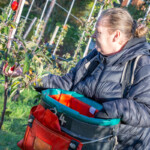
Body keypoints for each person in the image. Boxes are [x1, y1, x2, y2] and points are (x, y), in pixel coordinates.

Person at [4, 8, 150, 149]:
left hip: (119, 145)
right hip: (84, 140)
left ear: (116, 36)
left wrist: (110, 110)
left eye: (98, 32)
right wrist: (29, 76)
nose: (93, 36)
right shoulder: (95, 57)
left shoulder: (141, 64)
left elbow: (146, 111)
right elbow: (67, 84)